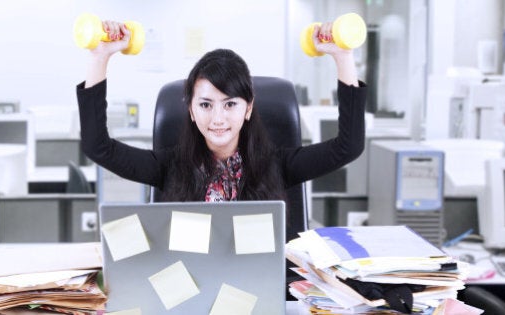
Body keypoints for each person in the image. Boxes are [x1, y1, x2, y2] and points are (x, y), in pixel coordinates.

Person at [76, 20, 367, 204]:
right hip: (188, 293)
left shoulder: (277, 165)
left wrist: (342, 56)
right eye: (205, 104)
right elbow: (97, 147)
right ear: (190, 109)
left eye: (230, 104)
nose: (218, 119)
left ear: (249, 107)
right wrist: (100, 57)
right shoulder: (170, 166)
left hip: (259, 292)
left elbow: (348, 147)